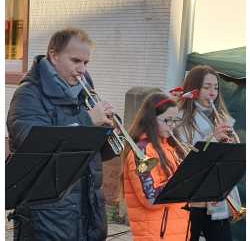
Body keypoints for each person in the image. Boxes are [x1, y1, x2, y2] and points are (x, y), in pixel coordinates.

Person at [7, 28, 117, 241]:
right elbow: (33, 144)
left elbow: (93, 154)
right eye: (76, 61)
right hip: (47, 216)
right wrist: (87, 121)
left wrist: (109, 133)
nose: (82, 69)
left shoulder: (83, 91)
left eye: (86, 63)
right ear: (54, 55)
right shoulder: (28, 94)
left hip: (88, 208)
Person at [176, 65, 242, 241]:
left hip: (218, 193)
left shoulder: (221, 116)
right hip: (195, 198)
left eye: (216, 87)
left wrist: (233, 147)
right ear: (194, 89)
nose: (213, 92)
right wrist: (213, 138)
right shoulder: (180, 119)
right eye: (206, 87)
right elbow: (187, 155)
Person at [122, 92, 189, 241]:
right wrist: (183, 177)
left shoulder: (170, 148)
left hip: (176, 232)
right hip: (156, 235)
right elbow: (150, 198)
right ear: (151, 120)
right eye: (167, 120)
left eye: (175, 120)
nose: (172, 126)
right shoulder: (141, 152)